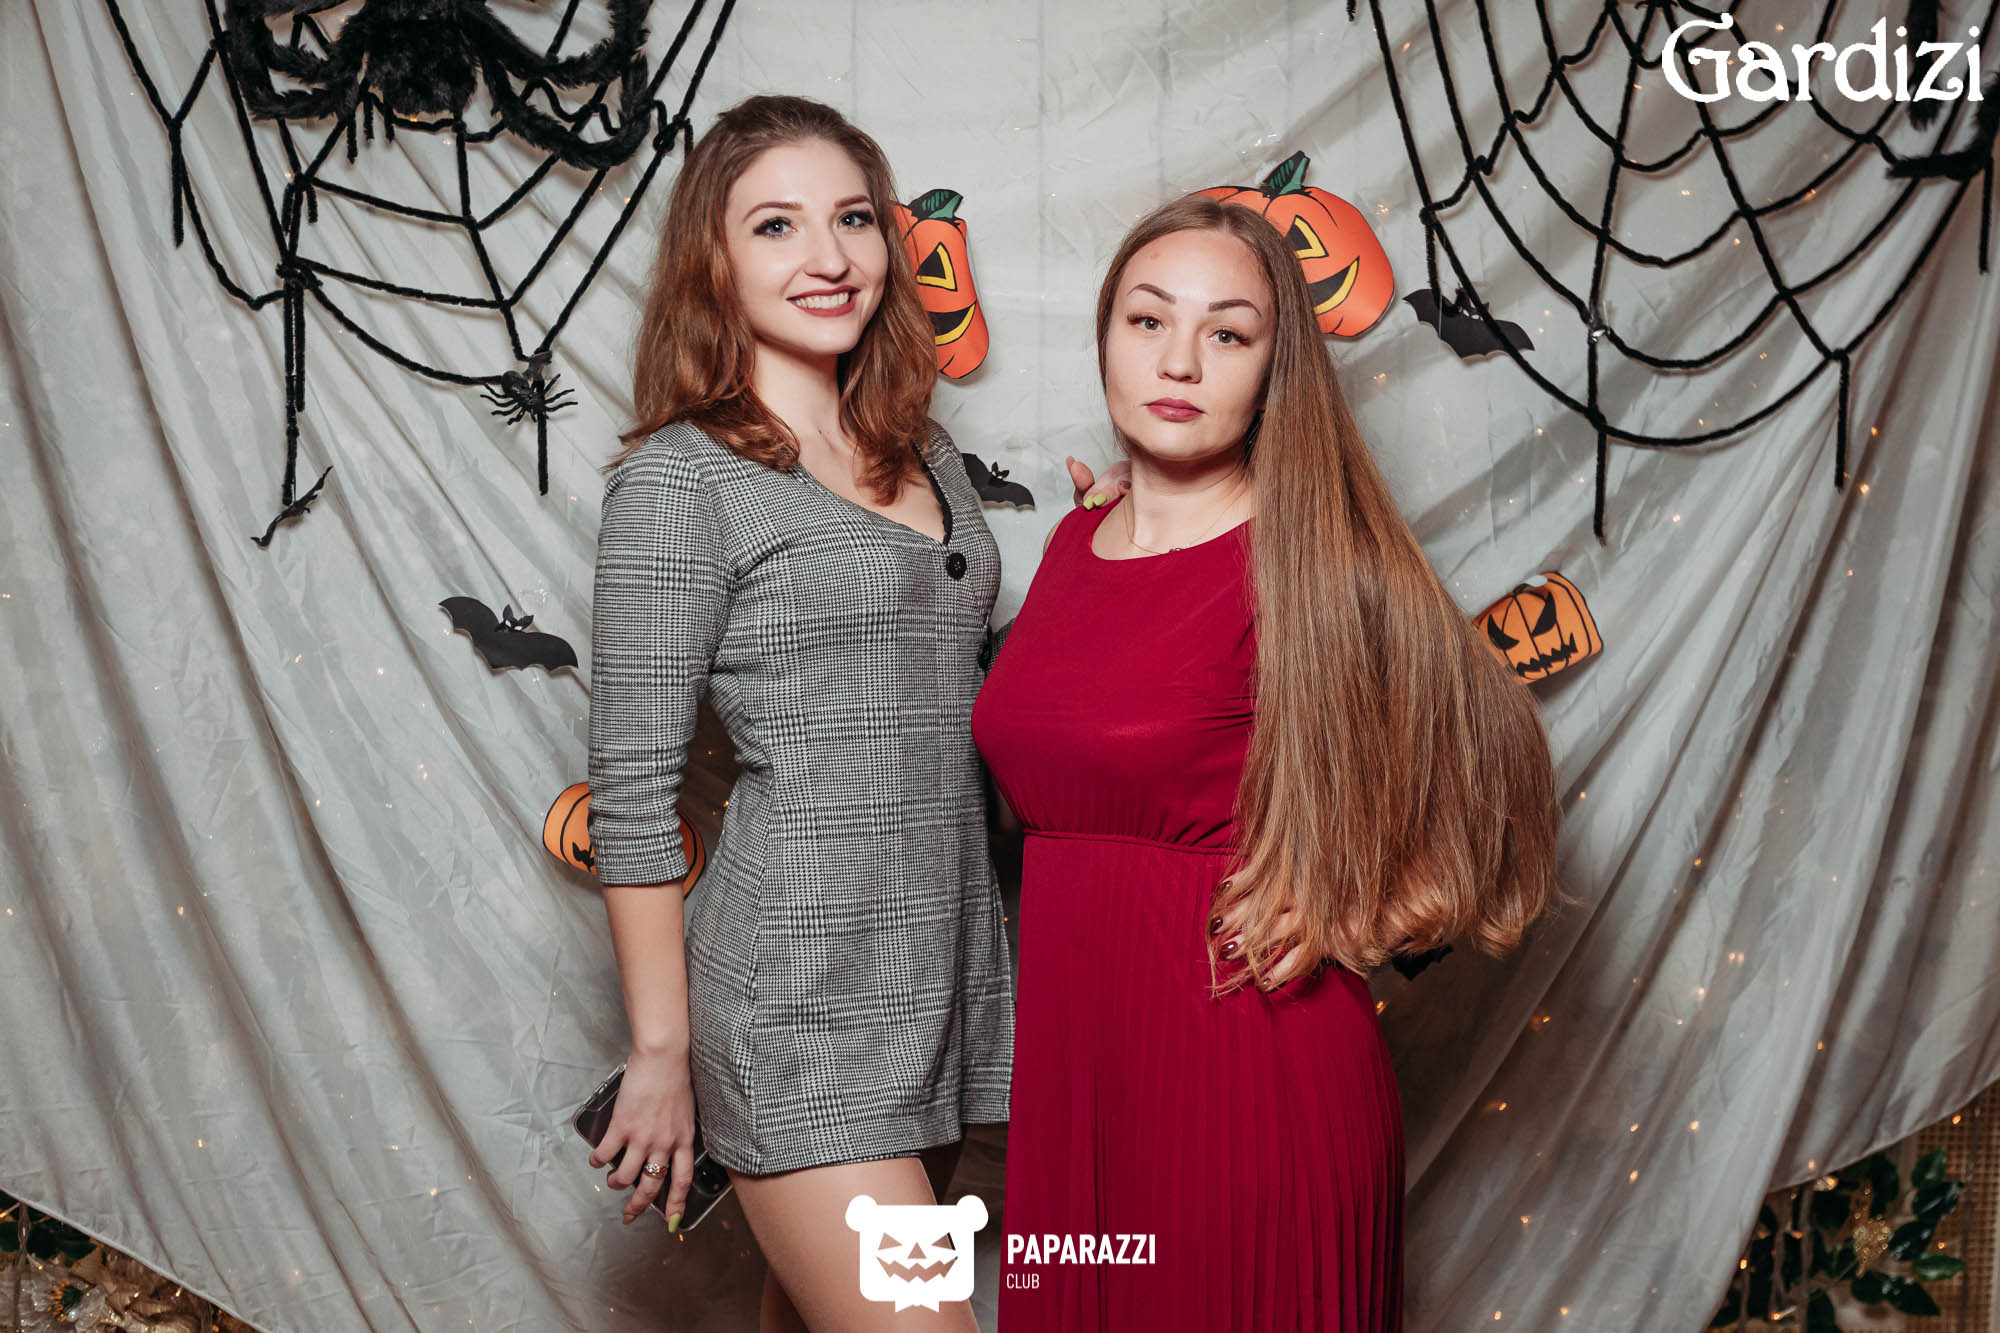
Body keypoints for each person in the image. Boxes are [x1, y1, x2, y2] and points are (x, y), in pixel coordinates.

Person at [971, 192, 1563, 1330]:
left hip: (1247, 1075)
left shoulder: (1314, 556)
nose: (1179, 360)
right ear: (1105, 336)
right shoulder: (1073, 538)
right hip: (1074, 1084)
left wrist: (1353, 899)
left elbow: (1502, 771)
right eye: (1148, 320)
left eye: (1228, 332)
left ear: (1273, 367)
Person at [582, 94, 1124, 1333]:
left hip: (939, 971)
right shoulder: (681, 479)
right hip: (798, 991)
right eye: (775, 226)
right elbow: (630, 790)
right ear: (713, 261)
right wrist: (660, 1052)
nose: (827, 257)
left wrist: (1105, 549)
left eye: (853, 219)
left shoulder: (923, 455)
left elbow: (963, 698)